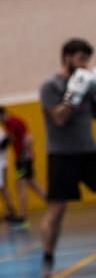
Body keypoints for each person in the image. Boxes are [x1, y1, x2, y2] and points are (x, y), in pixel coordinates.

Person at [39, 38, 96, 277]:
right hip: (61, 154)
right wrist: (74, 92)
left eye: (87, 59)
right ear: (66, 57)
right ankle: (48, 258)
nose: (85, 64)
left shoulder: (88, 83)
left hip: (88, 151)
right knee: (57, 211)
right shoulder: (51, 85)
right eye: (81, 59)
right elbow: (59, 118)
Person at [0, 105, 46, 229]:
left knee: (20, 185)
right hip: (21, 158)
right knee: (32, 183)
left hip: (23, 159)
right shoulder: (8, 124)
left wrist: (25, 153)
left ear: (1, 114)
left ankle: (22, 217)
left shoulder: (14, 122)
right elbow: (11, 139)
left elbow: (29, 137)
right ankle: (52, 203)